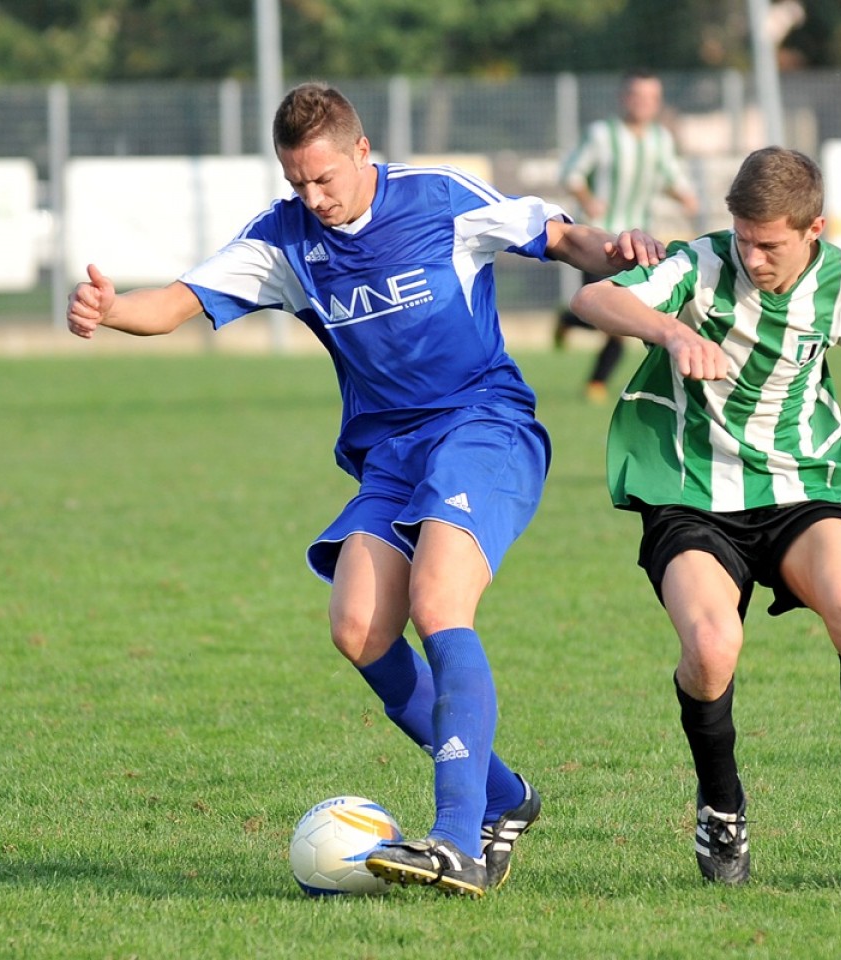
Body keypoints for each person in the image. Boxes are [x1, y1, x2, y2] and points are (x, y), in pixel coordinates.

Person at [66, 82, 665, 899]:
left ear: (362, 153)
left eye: (324, 180)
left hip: (481, 425)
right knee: (357, 628)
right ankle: (502, 795)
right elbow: (177, 302)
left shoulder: (438, 199)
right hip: (389, 455)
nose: (313, 198)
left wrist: (618, 250)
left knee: (439, 601)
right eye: (296, 184)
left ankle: (459, 842)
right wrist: (112, 309)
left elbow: (559, 238)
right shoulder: (284, 242)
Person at [569, 147, 841, 888]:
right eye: (743, 237)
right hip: (688, 491)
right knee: (712, 648)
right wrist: (672, 331)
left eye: (770, 243)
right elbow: (592, 300)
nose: (752, 256)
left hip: (800, 488)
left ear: (815, 230)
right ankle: (721, 813)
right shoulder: (703, 265)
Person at [555, 70, 700, 402]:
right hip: (602, 240)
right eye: (637, 96)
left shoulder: (661, 139)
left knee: (625, 312)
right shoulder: (602, 135)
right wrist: (589, 199)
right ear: (624, 98)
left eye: (651, 97)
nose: (643, 103)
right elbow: (570, 173)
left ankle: (596, 383)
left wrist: (687, 198)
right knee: (600, 312)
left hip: (641, 244)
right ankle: (569, 322)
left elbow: (672, 178)